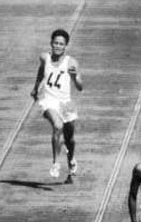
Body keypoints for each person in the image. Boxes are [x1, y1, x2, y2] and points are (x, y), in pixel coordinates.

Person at [30, 28, 83, 180]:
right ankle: (55, 163)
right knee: (57, 126)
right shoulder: (44, 57)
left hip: (66, 103)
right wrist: (35, 88)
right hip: (49, 100)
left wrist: (74, 77)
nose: (58, 46)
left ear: (66, 46)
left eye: (61, 44)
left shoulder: (71, 62)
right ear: (51, 43)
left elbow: (80, 87)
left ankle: (71, 159)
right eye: (55, 43)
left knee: (70, 138)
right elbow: (41, 71)